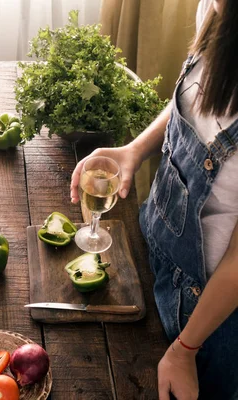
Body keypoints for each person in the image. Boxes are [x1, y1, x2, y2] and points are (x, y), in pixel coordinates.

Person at [71, 0, 237, 398]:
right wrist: (135, 149)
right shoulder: (217, 11)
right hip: (148, 242)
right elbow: (194, 101)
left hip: (208, 316)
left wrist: (184, 350)